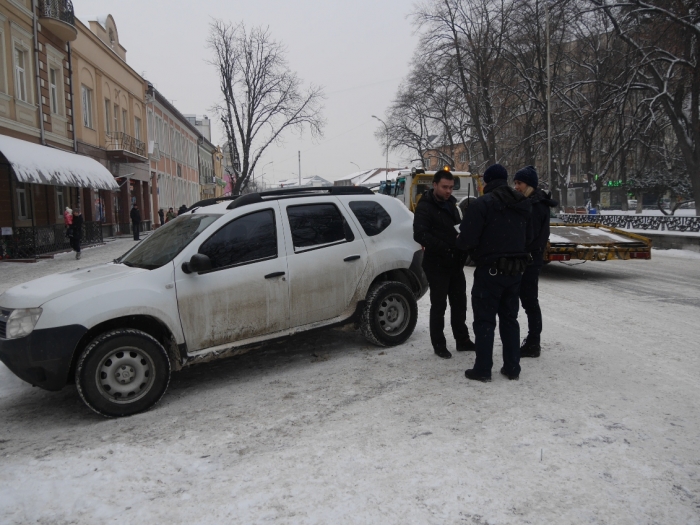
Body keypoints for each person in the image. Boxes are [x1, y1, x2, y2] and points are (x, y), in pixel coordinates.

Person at [457, 164, 532, 381]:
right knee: (510, 319)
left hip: (490, 272)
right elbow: (530, 238)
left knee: (485, 321)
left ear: (487, 182)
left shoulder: (483, 204)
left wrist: (467, 245)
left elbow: (467, 239)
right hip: (515, 271)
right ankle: (512, 367)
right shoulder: (522, 203)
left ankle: (483, 368)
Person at [413, 167, 474, 359]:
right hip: (437, 264)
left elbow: (456, 229)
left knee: (459, 304)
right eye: (445, 187)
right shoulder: (425, 206)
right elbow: (420, 234)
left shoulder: (452, 205)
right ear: (435, 185)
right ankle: (439, 344)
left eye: (451, 188)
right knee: (439, 306)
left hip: (455, 263)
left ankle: (462, 340)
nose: (448, 191)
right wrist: (446, 247)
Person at [513, 165, 558, 358]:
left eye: (519, 183)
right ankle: (533, 341)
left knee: (529, 301)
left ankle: (533, 342)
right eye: (515, 183)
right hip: (531, 258)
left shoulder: (534, 206)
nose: (516, 187)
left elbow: (528, 236)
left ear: (529, 185)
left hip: (529, 260)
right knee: (529, 301)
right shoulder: (534, 202)